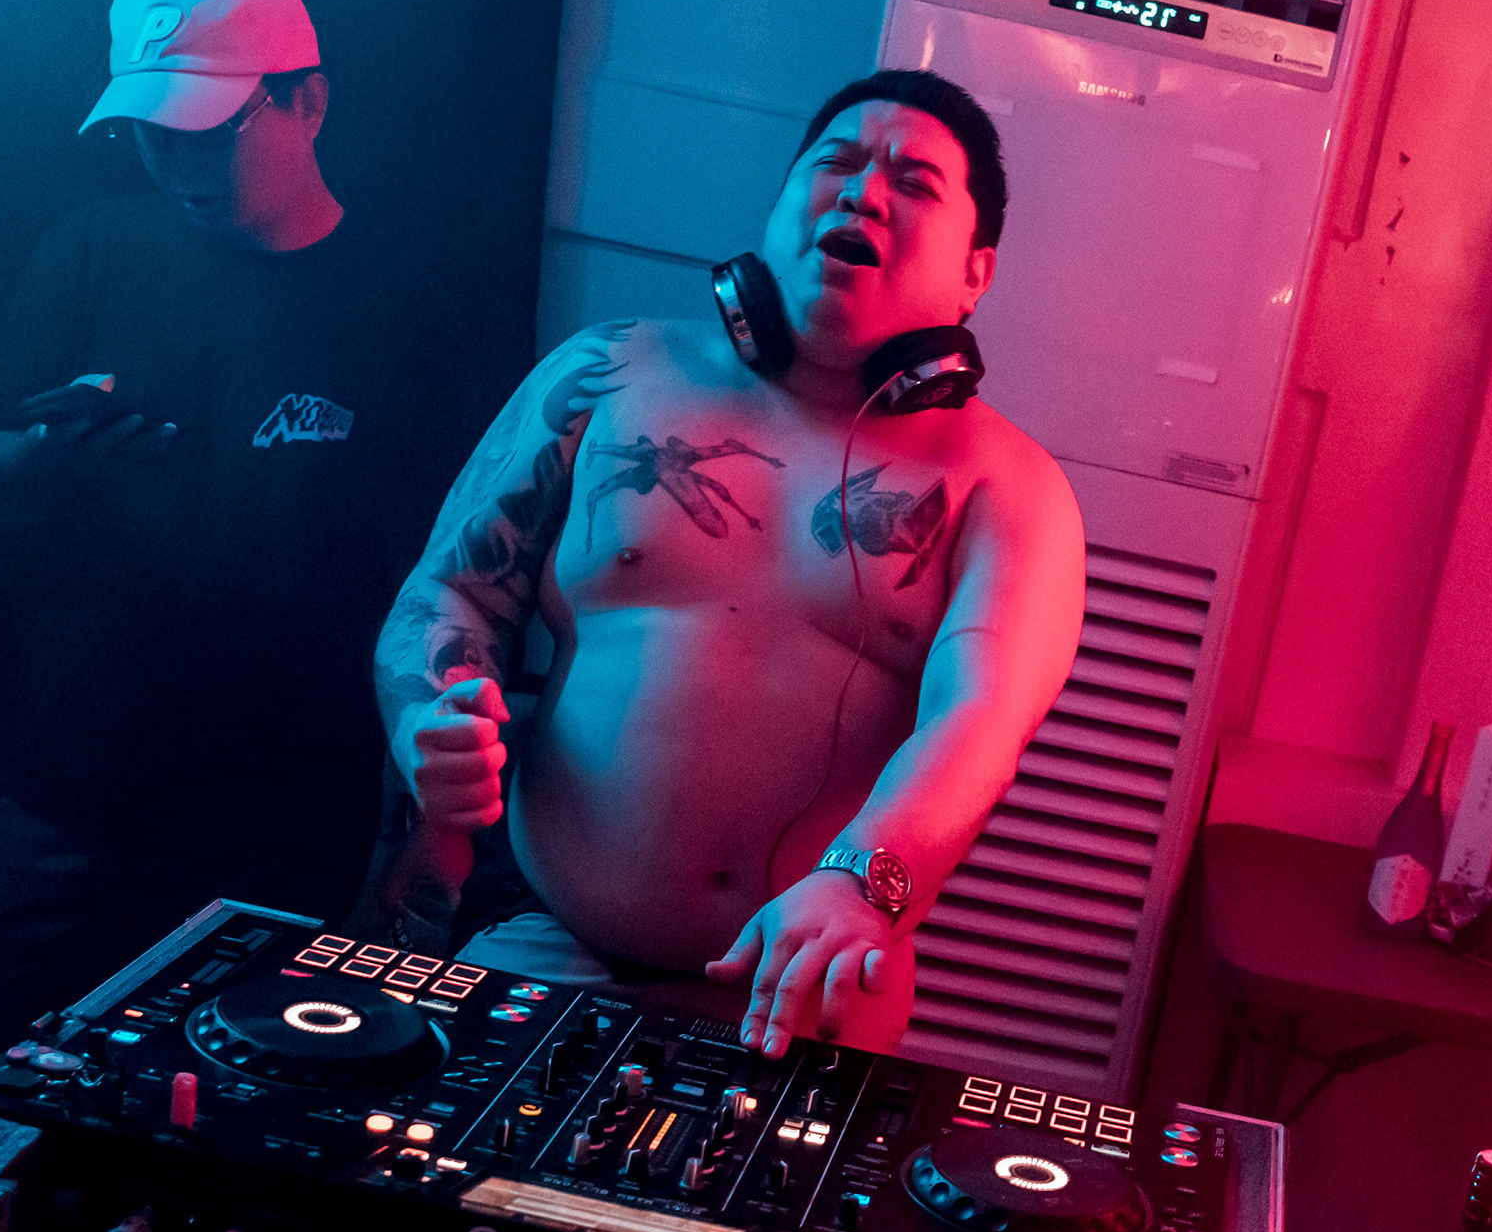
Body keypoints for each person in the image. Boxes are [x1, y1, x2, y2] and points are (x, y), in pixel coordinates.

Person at [377, 68, 1086, 1056]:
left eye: (914, 182)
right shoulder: (606, 374)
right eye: (835, 161)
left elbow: (979, 724)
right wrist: (427, 717)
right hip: (545, 944)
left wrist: (863, 883)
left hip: (800, 1002)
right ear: (781, 202)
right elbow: (453, 591)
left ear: (977, 272)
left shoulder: (1010, 488)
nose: (862, 192)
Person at [0, 0, 500, 1054]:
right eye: (150, 133)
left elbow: (444, 590)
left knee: (217, 1112)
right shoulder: (93, 248)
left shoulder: (404, 315)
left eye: (205, 130)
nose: (175, 161)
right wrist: (51, 458)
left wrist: (419, 831)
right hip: (69, 789)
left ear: (306, 102)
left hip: (278, 823)